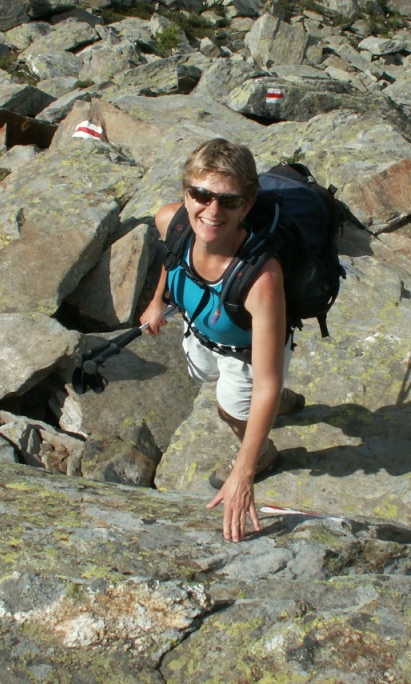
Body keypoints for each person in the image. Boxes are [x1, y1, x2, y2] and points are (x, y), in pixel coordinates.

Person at [140, 138, 304, 543]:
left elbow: (265, 382)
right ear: (186, 193)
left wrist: (243, 474)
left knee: (231, 408)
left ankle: (263, 452)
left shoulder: (261, 279)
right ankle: (280, 405)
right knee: (207, 376)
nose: (212, 211)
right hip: (202, 331)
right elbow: (171, 257)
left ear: (247, 206)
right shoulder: (171, 220)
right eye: (201, 195)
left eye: (229, 201)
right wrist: (157, 301)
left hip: (245, 353)